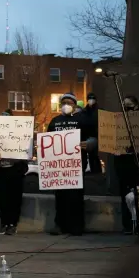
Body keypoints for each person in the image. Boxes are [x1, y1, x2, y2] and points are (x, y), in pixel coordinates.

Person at [48, 93, 95, 236]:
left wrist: (89, 144)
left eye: (69, 102)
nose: (66, 105)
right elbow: (47, 140)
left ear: (74, 105)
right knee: (60, 196)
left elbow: (93, 137)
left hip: (76, 164)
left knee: (75, 196)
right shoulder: (55, 121)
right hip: (59, 165)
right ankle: (59, 224)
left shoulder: (83, 120)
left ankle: (76, 226)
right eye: (63, 103)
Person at [113, 95, 139, 234]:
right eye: (124, 106)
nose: (127, 109)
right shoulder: (119, 119)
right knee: (126, 196)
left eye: (129, 106)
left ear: (136, 105)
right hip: (125, 164)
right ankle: (129, 225)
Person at [0, 109, 28, 236]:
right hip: (0, 172)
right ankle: (4, 223)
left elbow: (24, 151)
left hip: (14, 172)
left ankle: (12, 224)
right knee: (1, 199)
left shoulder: (18, 134)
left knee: (14, 199)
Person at [83, 93, 102, 174]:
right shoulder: (84, 111)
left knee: (94, 156)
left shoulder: (100, 111)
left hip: (96, 136)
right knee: (88, 155)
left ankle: (96, 172)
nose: (91, 100)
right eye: (89, 98)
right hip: (86, 136)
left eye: (92, 98)